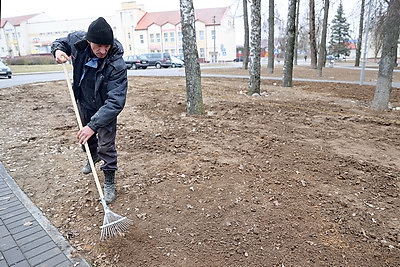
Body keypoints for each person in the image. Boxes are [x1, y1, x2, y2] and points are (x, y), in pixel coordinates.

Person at [51, 17, 128, 203]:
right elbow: (60, 42)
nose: (102, 51)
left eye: (106, 46)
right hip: (83, 101)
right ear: (89, 41)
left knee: (107, 146)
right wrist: (58, 50)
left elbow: (116, 101)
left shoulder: (116, 64)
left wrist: (94, 124)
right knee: (86, 138)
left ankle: (109, 181)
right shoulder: (78, 42)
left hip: (104, 107)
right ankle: (92, 156)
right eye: (98, 46)